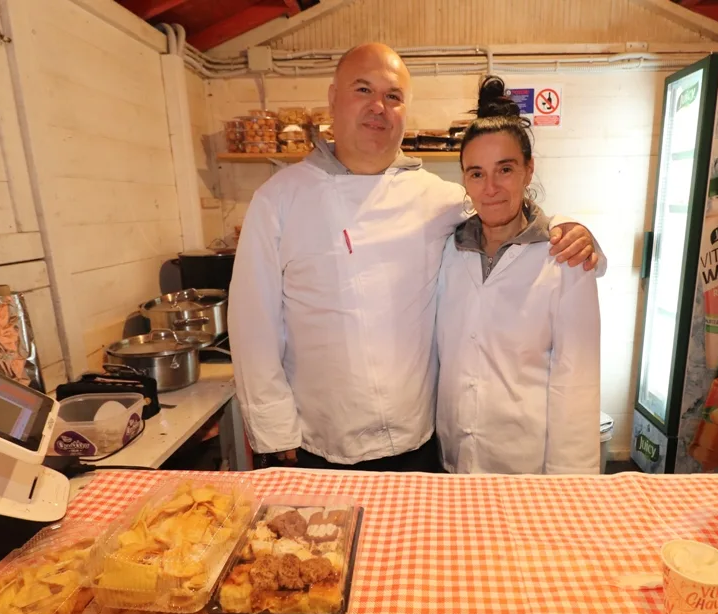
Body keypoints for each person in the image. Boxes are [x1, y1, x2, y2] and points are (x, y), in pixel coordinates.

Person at [228, 43, 606, 472]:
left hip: (419, 444)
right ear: (333, 99)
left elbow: (507, 213)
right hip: (318, 442)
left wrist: (574, 230)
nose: (378, 107)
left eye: (392, 96)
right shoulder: (279, 199)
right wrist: (274, 428)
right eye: (363, 90)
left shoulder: (435, 197)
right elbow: (252, 321)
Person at [435, 76, 601, 475]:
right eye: (476, 173)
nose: (490, 188)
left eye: (504, 169)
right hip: (451, 460)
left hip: (527, 470)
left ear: (529, 170)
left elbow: (576, 381)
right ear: (464, 179)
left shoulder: (563, 256)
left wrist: (569, 485)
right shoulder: (449, 249)